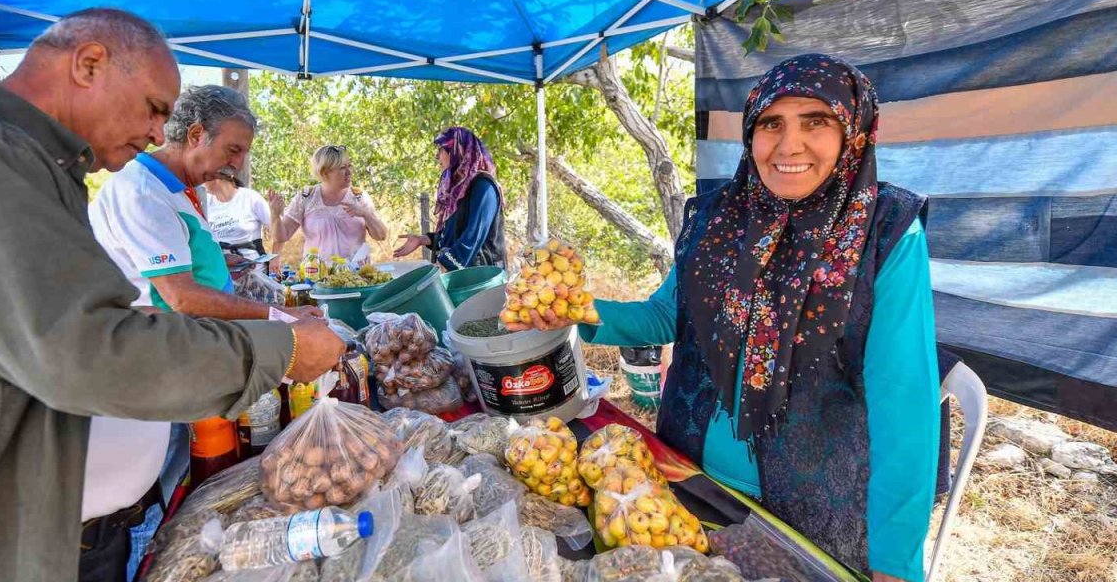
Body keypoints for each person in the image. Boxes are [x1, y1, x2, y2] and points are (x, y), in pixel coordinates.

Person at [0, 8, 345, 582]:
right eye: (153, 108)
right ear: (89, 64)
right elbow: (86, 350)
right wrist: (280, 348)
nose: (158, 133)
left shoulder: (16, 161)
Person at [516, 55, 939, 582]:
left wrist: (895, 563)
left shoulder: (884, 232)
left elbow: (904, 402)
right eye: (771, 123)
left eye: (816, 121)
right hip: (687, 476)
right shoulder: (720, 217)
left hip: (809, 510)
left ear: (853, 130)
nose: (789, 145)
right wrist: (575, 309)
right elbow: (666, 315)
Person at [84, 84, 318, 582]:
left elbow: (191, 267)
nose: (236, 164)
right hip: (151, 370)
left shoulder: (184, 191)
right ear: (195, 134)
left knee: (179, 478)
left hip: (185, 359)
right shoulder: (141, 191)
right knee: (156, 499)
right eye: (232, 149)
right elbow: (182, 296)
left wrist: (231, 265)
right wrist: (280, 320)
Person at [393, 126, 507, 270]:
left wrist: (443, 265)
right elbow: (453, 233)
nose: (437, 157)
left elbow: (473, 237)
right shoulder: (460, 188)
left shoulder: (483, 186)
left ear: (455, 151)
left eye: (441, 150)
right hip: (465, 274)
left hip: (483, 276)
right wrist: (422, 240)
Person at [268, 144, 388, 264]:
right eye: (342, 168)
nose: (349, 172)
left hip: (357, 274)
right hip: (316, 272)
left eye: (349, 166)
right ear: (325, 172)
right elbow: (282, 236)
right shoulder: (306, 197)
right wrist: (275, 215)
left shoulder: (359, 197)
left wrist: (366, 214)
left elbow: (381, 236)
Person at [205, 173, 272, 261]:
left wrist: (275, 258)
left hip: (253, 265)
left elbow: (277, 232)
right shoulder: (205, 203)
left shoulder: (250, 197)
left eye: (205, 176)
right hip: (221, 265)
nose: (201, 181)